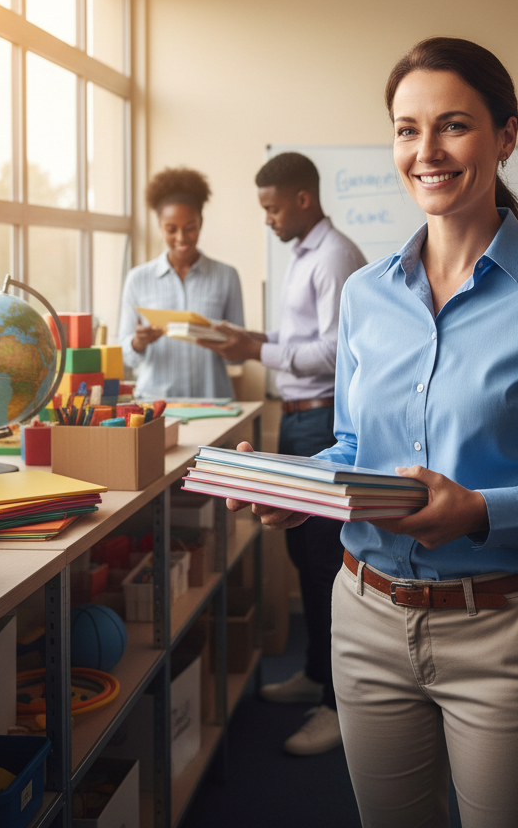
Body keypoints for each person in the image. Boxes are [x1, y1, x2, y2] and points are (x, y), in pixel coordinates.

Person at [226, 37, 518, 827]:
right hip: (366, 616)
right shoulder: (369, 294)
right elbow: (353, 449)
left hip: (502, 632)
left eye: (453, 126)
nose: (427, 152)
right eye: (407, 130)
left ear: (505, 136)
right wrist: (293, 489)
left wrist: (477, 511)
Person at [205, 152, 366, 756]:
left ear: (302, 199)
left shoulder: (335, 257)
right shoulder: (303, 256)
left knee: (327, 561)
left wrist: (259, 351)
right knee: (303, 553)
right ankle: (316, 676)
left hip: (325, 419)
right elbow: (303, 341)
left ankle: (338, 704)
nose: (268, 219)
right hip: (297, 419)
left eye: (273, 208)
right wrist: (258, 343)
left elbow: (335, 353)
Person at [118, 167, 244, 400]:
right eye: (171, 229)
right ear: (159, 226)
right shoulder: (138, 279)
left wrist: (221, 340)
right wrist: (138, 342)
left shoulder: (227, 276)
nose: (181, 238)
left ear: (201, 222)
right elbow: (126, 355)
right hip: (156, 406)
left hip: (213, 403)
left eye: (190, 228)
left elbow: (237, 357)